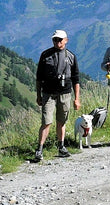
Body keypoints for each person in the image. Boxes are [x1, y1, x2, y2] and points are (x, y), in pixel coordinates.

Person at [34, 29, 81, 161]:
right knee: (46, 122)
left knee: (62, 121)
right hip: (48, 94)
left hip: (65, 93)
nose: (57, 42)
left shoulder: (71, 56)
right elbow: (39, 77)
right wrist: (39, 96)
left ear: (66, 40)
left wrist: (77, 99)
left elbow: (76, 79)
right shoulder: (45, 55)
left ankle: (61, 147)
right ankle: (39, 149)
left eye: (59, 40)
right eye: (55, 39)